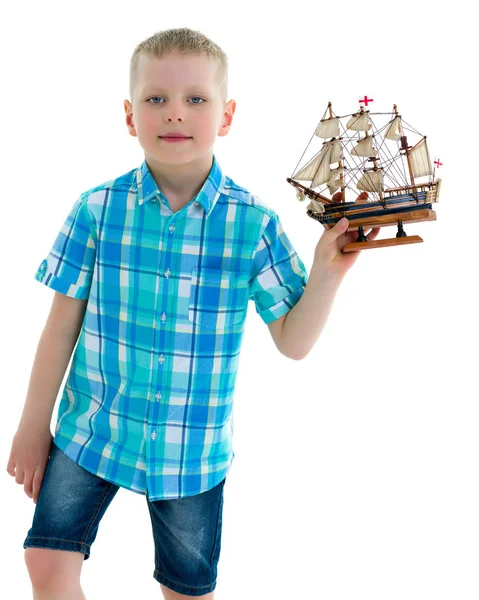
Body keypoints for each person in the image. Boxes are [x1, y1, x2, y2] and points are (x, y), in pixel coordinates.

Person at [6, 27, 379, 600]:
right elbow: (61, 327)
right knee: (45, 561)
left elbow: (293, 341)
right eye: (155, 99)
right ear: (130, 116)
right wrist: (34, 427)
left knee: (186, 591)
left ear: (226, 116)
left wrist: (328, 271)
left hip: (192, 452)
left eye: (195, 99)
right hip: (91, 431)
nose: (174, 113)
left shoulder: (252, 223)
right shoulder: (97, 210)